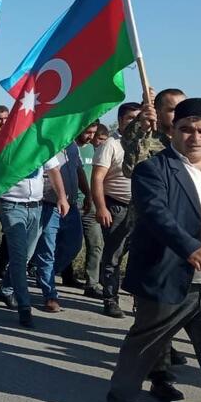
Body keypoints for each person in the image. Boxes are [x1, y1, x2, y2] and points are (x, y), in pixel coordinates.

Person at [106, 98, 201, 402]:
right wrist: (190, 247)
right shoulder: (154, 169)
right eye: (186, 129)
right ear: (172, 130)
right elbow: (157, 214)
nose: (195, 137)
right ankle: (120, 394)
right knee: (146, 344)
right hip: (171, 277)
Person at [119, 88, 190, 402]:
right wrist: (140, 126)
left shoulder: (189, 142)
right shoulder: (147, 140)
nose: (179, 114)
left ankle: (165, 350)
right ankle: (158, 377)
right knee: (155, 310)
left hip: (189, 236)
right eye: (172, 109)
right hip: (155, 236)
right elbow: (130, 164)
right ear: (158, 111)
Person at [0, 156, 69, 327]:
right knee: (19, 258)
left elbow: (53, 169)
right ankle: (24, 306)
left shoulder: (40, 145)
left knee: (25, 256)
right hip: (11, 206)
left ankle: (6, 289)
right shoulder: (8, 145)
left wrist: (62, 197)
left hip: (36, 207)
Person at [33, 123, 94, 312]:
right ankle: (50, 295)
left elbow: (78, 170)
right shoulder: (44, 144)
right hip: (48, 204)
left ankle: (41, 273)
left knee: (74, 245)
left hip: (71, 205)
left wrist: (88, 194)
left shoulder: (72, 145)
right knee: (47, 250)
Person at [91, 102, 141, 318]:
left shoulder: (146, 143)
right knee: (113, 255)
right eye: (131, 118)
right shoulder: (111, 144)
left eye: (139, 118)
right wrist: (101, 207)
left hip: (143, 209)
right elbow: (97, 178)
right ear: (120, 120)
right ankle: (110, 298)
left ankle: (140, 302)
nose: (135, 122)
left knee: (141, 256)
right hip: (117, 207)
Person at [79, 121, 108, 298]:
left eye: (93, 133)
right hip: (72, 203)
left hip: (91, 205)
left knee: (96, 243)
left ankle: (92, 283)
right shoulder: (68, 147)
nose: (90, 136)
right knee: (70, 244)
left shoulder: (95, 150)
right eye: (87, 132)